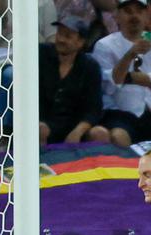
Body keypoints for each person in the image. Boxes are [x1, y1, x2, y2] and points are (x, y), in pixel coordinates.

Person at [92, 0, 151, 147]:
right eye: (128, 11)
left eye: (139, 11)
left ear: (147, 16)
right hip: (120, 114)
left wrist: (128, 77)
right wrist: (130, 54)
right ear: (116, 16)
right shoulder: (104, 45)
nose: (134, 16)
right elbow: (110, 85)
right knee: (118, 137)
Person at [39, 16, 111, 145]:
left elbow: (94, 109)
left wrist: (78, 131)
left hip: (75, 125)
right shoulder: (41, 53)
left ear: (81, 42)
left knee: (100, 133)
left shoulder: (90, 67)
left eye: (67, 36)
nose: (61, 39)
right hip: (45, 123)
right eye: (59, 33)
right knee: (39, 129)